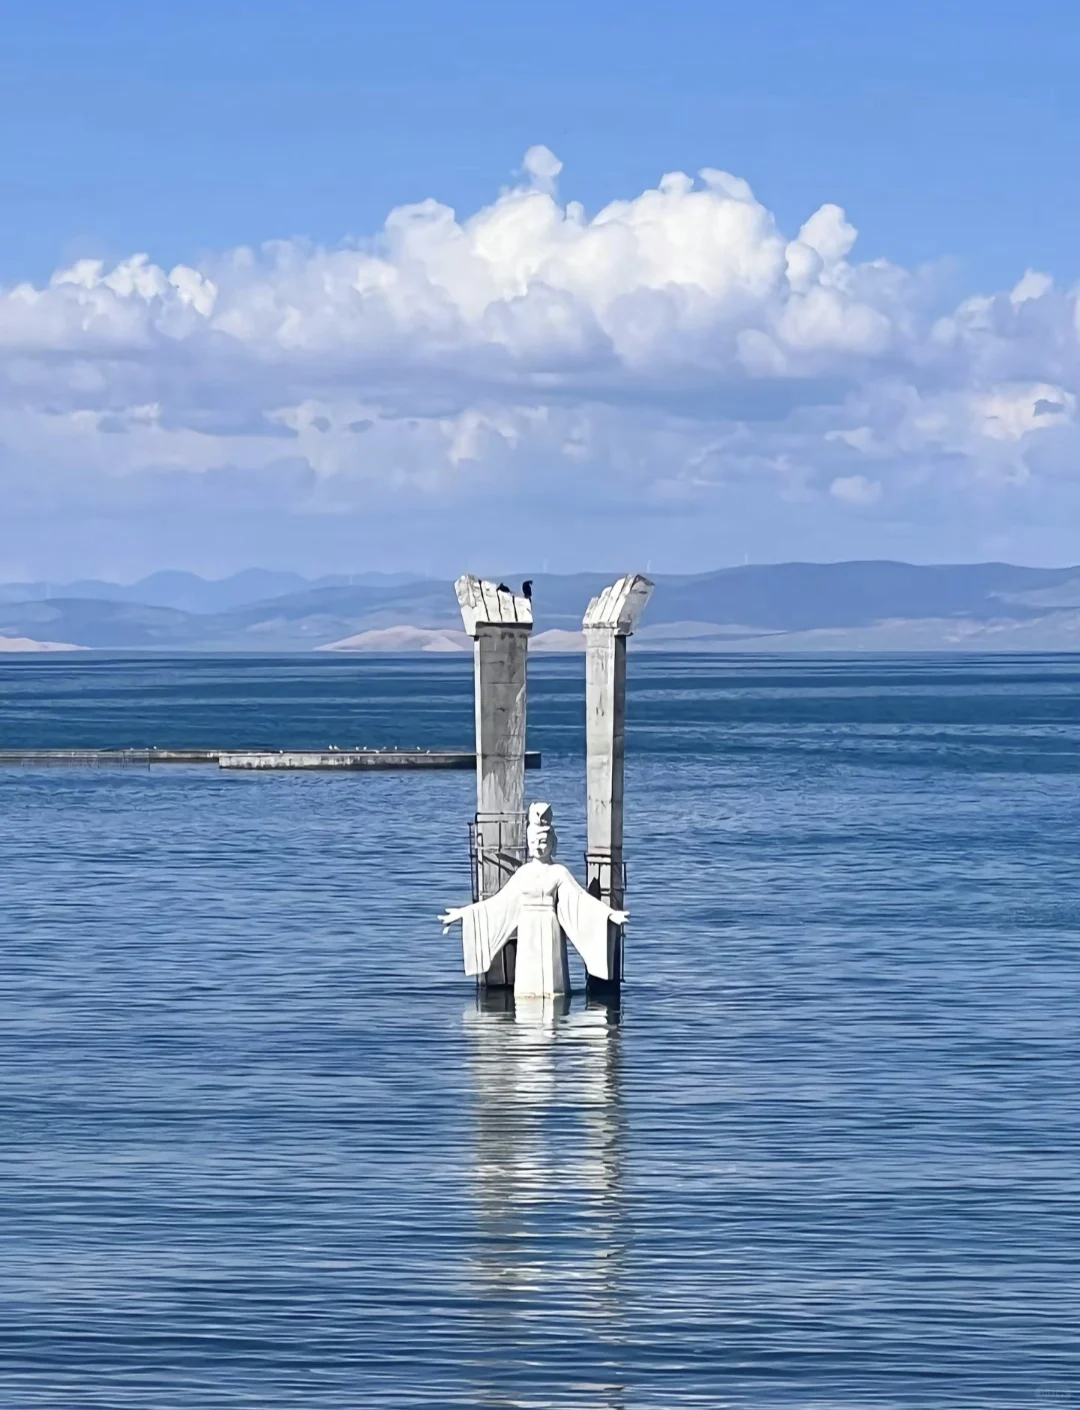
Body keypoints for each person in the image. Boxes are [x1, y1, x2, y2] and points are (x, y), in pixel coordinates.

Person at [440, 802, 628, 998]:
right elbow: (498, 904)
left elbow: (580, 901)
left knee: (553, 985)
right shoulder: (523, 874)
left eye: (543, 841)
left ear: (553, 843)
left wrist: (609, 915)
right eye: (534, 841)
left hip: (550, 928)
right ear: (528, 843)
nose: (539, 846)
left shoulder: (558, 873)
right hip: (528, 928)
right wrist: (464, 914)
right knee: (527, 988)